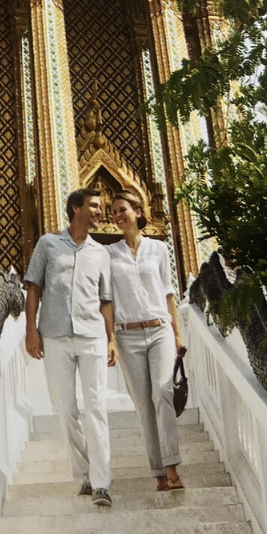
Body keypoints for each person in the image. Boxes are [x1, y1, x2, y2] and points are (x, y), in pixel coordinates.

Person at [24, 188, 117, 509]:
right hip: (55, 334)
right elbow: (33, 289)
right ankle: (85, 473)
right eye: (94, 206)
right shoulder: (48, 244)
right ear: (76, 208)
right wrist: (31, 331)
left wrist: (111, 338)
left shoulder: (100, 252)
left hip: (92, 335)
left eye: (101, 207)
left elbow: (106, 300)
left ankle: (102, 483)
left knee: (96, 406)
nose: (100, 212)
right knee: (65, 409)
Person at [107, 188, 185, 491]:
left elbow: (168, 292)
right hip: (127, 335)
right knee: (143, 404)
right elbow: (107, 300)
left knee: (163, 393)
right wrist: (111, 338)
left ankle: (172, 466)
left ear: (137, 212)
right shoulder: (108, 254)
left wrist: (177, 333)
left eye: (122, 209)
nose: (117, 216)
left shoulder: (159, 249)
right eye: (114, 211)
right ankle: (158, 473)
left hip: (159, 330)